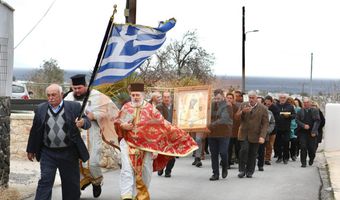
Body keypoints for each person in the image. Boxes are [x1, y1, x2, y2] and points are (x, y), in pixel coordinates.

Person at [116, 83, 197, 200]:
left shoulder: (150, 110)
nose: (135, 97)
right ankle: (126, 196)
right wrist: (123, 126)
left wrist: (158, 148)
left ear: (143, 95)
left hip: (146, 147)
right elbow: (118, 122)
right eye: (133, 95)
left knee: (145, 173)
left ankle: (140, 196)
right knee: (126, 170)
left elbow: (163, 127)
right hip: (128, 144)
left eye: (137, 95)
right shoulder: (126, 107)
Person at [26, 84, 91, 200]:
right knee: (45, 182)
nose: (51, 98)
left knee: (71, 185)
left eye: (54, 95)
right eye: (48, 95)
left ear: (61, 95)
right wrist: (30, 149)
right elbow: (35, 130)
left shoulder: (74, 107)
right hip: (48, 153)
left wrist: (82, 123)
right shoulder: (41, 109)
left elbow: (87, 121)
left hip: (69, 152)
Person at [64, 74, 119, 198]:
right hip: (74, 134)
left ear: (86, 86)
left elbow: (110, 110)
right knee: (76, 163)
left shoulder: (97, 96)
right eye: (75, 88)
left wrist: (93, 115)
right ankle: (78, 186)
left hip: (92, 132)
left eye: (79, 88)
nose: (77, 91)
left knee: (92, 162)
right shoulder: (68, 97)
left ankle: (96, 182)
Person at [236, 91, 268, 178]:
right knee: (244, 150)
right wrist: (242, 112)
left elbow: (265, 124)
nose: (251, 99)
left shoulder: (263, 108)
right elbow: (236, 117)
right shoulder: (243, 105)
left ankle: (250, 171)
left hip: (256, 134)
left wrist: (262, 136)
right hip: (243, 133)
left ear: (256, 98)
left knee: (253, 153)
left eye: (253, 98)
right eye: (249, 97)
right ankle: (242, 170)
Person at [207, 89, 233, 181]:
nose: (217, 100)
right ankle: (215, 174)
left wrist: (211, 125)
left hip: (224, 133)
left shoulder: (227, 106)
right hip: (212, 134)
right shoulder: (211, 106)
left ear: (223, 96)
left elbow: (224, 119)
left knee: (223, 152)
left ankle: (225, 166)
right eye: (215, 98)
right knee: (213, 154)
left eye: (218, 98)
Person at [296, 97, 321, 168]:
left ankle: (311, 158)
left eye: (307, 102)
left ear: (310, 103)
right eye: (304, 103)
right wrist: (303, 125)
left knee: (312, 148)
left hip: (312, 133)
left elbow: (317, 121)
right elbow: (297, 120)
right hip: (303, 132)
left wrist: (314, 131)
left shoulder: (315, 110)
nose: (306, 104)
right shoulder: (300, 111)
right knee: (303, 147)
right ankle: (303, 162)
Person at [157, 91, 176, 178]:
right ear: (162, 98)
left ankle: (168, 171)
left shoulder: (175, 107)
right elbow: (160, 118)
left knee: (173, 154)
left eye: (168, 97)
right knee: (162, 152)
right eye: (164, 97)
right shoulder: (159, 107)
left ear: (171, 98)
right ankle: (161, 167)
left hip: (173, 133)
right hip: (163, 133)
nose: (166, 99)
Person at [275, 93, 296, 164]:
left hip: (286, 127)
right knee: (278, 143)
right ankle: (279, 157)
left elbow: (294, 115)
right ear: (279, 98)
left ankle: (285, 158)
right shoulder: (275, 106)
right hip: (277, 127)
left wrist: (289, 116)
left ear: (286, 98)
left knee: (286, 142)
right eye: (281, 97)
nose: (282, 99)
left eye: (284, 97)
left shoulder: (290, 106)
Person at [257, 97, 275, 171]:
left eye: (260, 102)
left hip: (264, 134)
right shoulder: (251, 110)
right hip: (253, 133)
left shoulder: (269, 112)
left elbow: (272, 123)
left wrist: (268, 131)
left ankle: (261, 164)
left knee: (262, 149)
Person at [264, 95, 280, 165]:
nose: (267, 103)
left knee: (270, 144)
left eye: (268, 101)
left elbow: (275, 120)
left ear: (271, 101)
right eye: (266, 101)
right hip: (264, 129)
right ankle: (263, 157)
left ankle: (267, 158)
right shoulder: (263, 107)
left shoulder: (275, 108)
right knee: (264, 144)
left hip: (272, 129)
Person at [226, 92, 240, 167]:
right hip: (225, 131)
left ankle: (237, 161)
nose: (229, 99)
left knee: (237, 147)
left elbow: (237, 118)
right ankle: (227, 163)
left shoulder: (236, 107)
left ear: (233, 99)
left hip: (235, 131)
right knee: (227, 148)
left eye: (230, 98)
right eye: (228, 98)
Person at [287, 97, 299, 161]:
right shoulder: (285, 109)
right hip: (287, 127)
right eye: (288, 103)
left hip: (294, 127)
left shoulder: (297, 109)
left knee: (294, 142)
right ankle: (287, 155)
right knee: (286, 142)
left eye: (290, 102)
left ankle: (293, 154)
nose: (289, 104)